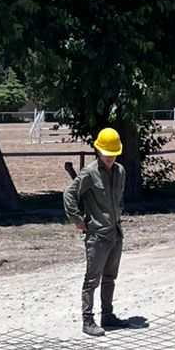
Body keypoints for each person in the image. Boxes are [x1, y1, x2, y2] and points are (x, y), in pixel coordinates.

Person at [63, 127, 127, 337]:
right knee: (92, 280)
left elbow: (119, 199)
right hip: (97, 236)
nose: (110, 157)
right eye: (107, 153)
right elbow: (69, 195)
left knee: (110, 277)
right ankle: (87, 320)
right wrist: (77, 220)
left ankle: (107, 316)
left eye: (113, 154)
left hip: (115, 232)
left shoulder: (120, 171)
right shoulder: (89, 173)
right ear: (98, 151)